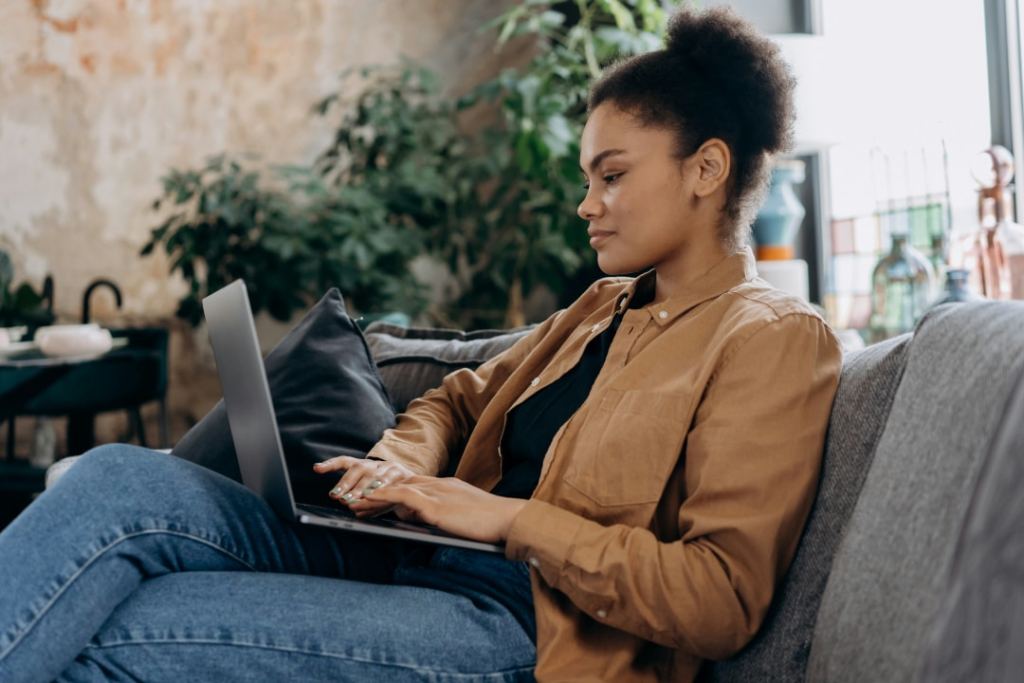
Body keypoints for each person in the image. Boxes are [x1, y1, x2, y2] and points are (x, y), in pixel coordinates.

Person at [0, 7, 841, 682]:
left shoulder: (770, 340)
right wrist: (402, 463)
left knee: (118, 627)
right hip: (407, 559)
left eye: (611, 175)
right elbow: (456, 395)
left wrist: (506, 517)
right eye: (586, 178)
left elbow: (720, 599)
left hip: (518, 630)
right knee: (115, 477)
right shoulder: (599, 309)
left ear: (707, 169)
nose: (586, 203)